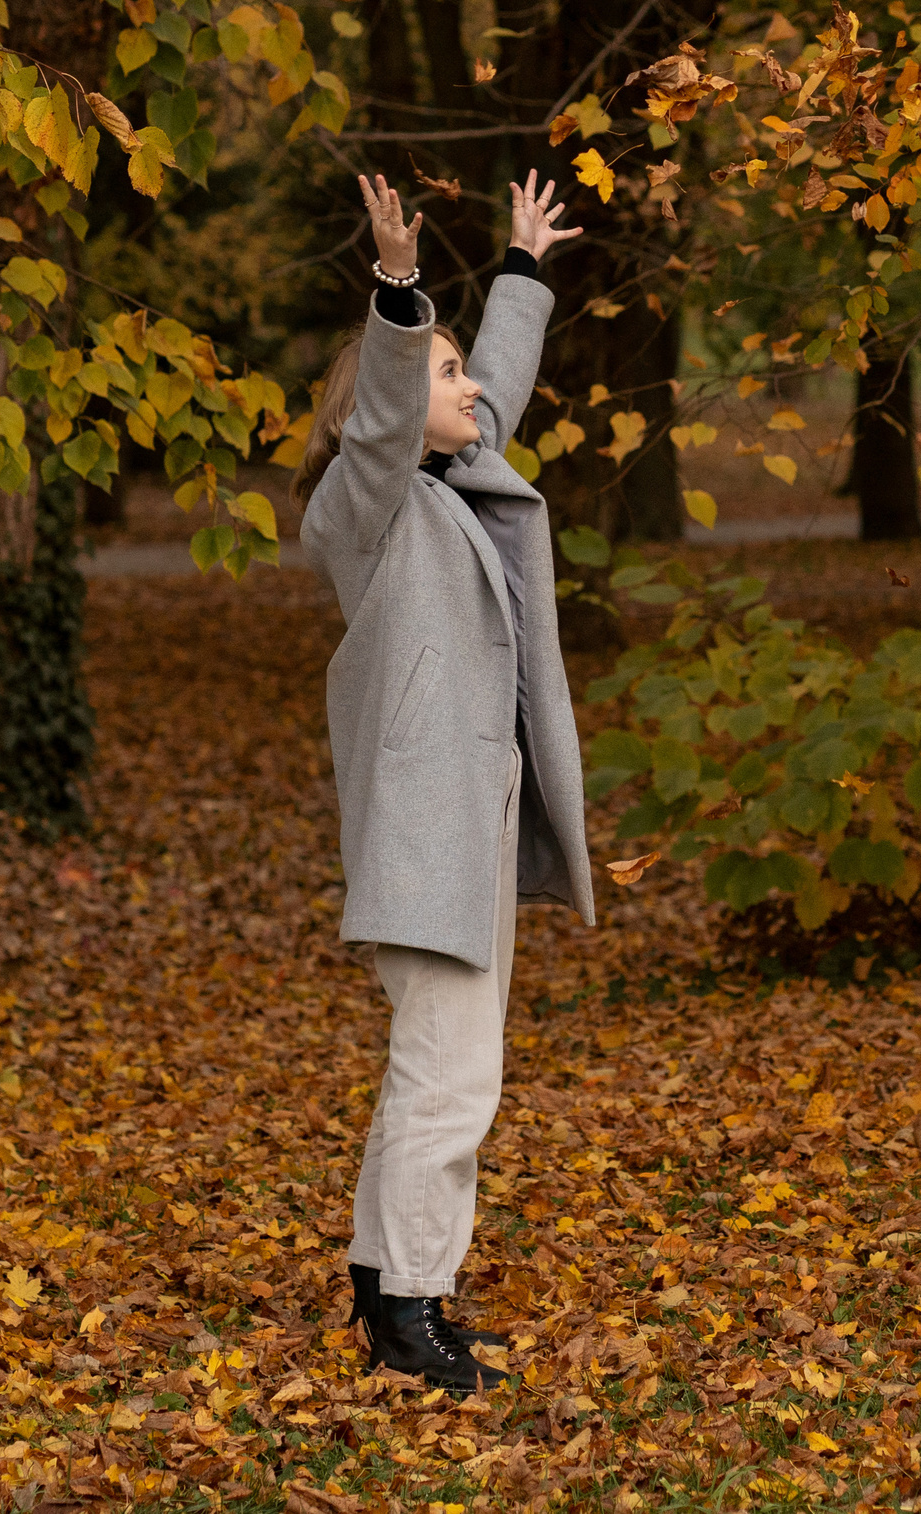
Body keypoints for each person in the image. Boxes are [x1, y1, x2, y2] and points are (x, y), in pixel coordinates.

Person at [296, 171, 592, 1392]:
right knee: (450, 1079)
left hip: (467, 832)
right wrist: (398, 285)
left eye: (463, 369)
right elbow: (383, 415)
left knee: (431, 1067)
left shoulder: (454, 485)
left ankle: (385, 1290)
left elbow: (492, 397)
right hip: (426, 839)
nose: (469, 389)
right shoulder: (362, 508)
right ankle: (412, 1311)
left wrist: (521, 269)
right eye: (447, 372)